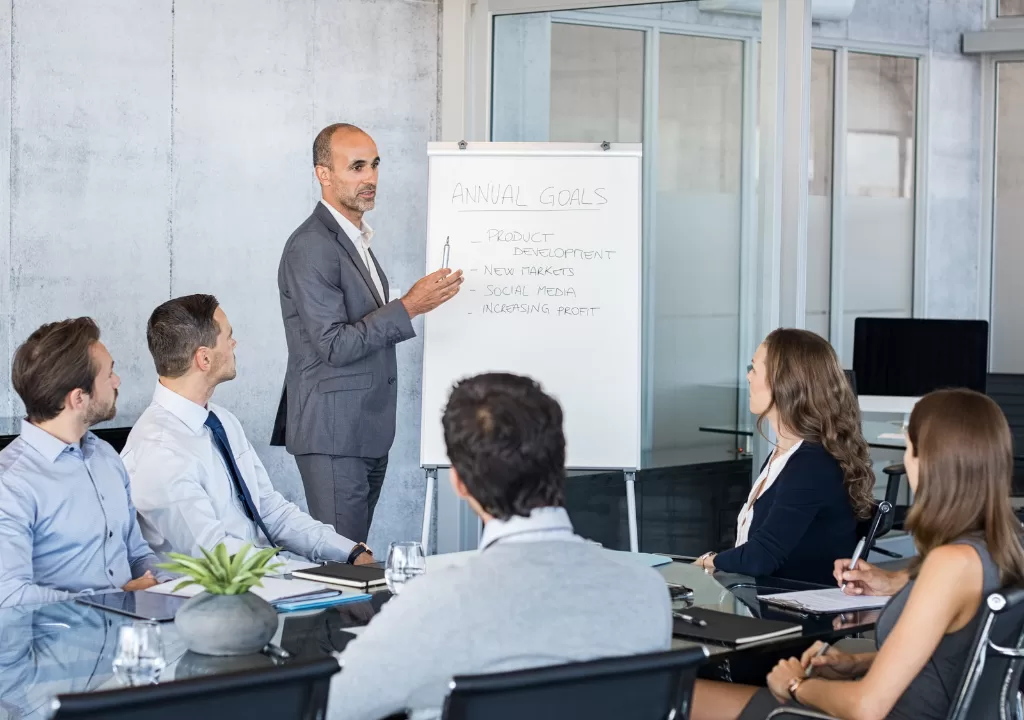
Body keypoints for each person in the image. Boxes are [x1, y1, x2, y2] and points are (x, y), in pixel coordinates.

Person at [327, 373, 672, 720]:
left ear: (459, 483)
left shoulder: (435, 603)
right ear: (560, 462)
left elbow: (329, 706)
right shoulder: (646, 591)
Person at [691, 389, 1024, 720]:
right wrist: (858, 662)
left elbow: (867, 707)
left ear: (930, 462)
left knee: (684, 693)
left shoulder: (949, 563)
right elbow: (955, 657)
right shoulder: (1001, 547)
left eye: (909, 449)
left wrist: (795, 685)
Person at [275, 122, 463, 542]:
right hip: (334, 433)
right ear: (324, 174)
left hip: (362, 430)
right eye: (357, 167)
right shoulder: (312, 245)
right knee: (344, 564)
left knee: (354, 555)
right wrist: (410, 306)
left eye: (375, 165)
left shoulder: (354, 240)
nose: (371, 178)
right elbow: (333, 345)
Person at [122, 295, 374, 566]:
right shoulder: (160, 451)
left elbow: (269, 510)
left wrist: (349, 552)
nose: (234, 344)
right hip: (221, 588)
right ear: (204, 358)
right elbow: (218, 556)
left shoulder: (222, 421)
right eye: (228, 336)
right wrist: (304, 574)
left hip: (265, 578)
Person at [0, 318, 167, 607]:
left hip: (134, 628)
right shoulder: (11, 483)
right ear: (78, 398)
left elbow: (137, 554)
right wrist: (114, 599)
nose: (117, 381)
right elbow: (11, 596)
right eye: (109, 374)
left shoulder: (106, 456)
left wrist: (166, 583)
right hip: (57, 635)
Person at [692, 328, 873, 585]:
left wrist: (710, 561)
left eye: (755, 369)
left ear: (784, 383)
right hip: (758, 595)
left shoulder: (811, 464)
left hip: (789, 605)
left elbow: (760, 558)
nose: (748, 377)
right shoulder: (785, 455)